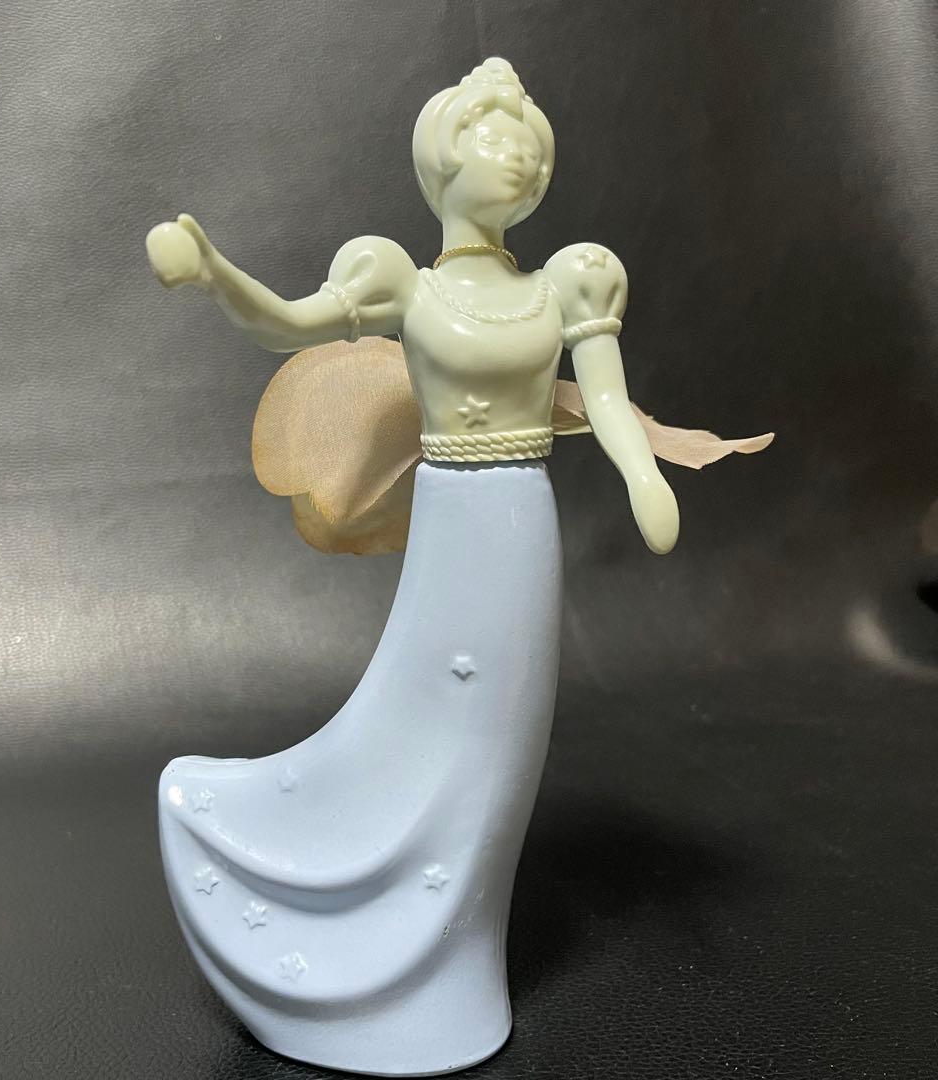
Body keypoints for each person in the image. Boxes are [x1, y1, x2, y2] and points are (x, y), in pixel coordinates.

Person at [144, 58, 750, 1076]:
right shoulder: (400, 281)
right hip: (453, 520)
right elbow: (288, 325)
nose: (517, 158)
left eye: (530, 146)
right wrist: (215, 274)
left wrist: (646, 476)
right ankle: (360, 950)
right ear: (438, 163)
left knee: (499, 745)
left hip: (521, 525)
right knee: (426, 713)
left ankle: (461, 967)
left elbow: (605, 399)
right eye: (492, 138)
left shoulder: (568, 281)